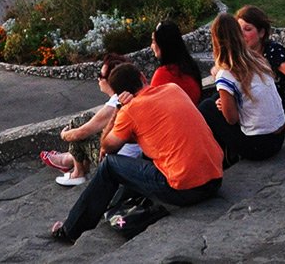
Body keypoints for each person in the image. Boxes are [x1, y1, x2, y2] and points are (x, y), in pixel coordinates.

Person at [46, 62, 222, 244]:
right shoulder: (172, 89)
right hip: (215, 179)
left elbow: (106, 147)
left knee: (110, 166)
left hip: (187, 191)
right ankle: (115, 205)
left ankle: (70, 230)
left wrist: (117, 110)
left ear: (117, 93)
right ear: (143, 77)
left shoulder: (130, 110)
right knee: (144, 155)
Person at [41, 54, 143, 187]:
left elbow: (82, 132)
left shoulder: (116, 104)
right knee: (86, 118)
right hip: (134, 155)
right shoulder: (132, 94)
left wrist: (64, 135)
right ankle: (72, 161)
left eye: (101, 76)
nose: (98, 79)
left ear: (111, 80)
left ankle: (77, 172)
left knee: (78, 126)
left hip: (119, 161)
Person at [197, 13, 285, 163]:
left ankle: (222, 158)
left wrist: (224, 108)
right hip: (279, 137)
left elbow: (231, 120)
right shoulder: (257, 59)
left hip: (259, 147)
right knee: (215, 99)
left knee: (206, 107)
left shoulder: (226, 75)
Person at [235, 5, 285, 131]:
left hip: (283, 110)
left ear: (261, 33)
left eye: (247, 29)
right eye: (239, 30)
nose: (241, 35)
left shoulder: (273, 51)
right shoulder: (244, 53)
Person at [149, 20, 203, 103]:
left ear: (161, 45)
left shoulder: (163, 75)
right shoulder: (190, 66)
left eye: (153, 41)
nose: (151, 46)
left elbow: (151, 104)